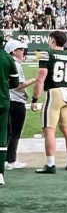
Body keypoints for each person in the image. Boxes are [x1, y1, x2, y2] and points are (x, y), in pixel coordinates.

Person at [31, 31, 67, 174]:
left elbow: (40, 79)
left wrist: (34, 99)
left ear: (52, 40)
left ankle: (50, 164)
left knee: (49, 130)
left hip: (54, 93)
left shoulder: (46, 54)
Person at [5, 39, 34, 170]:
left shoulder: (7, 62)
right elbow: (19, 85)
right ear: (13, 51)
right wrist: (34, 80)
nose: (23, 51)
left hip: (8, 100)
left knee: (7, 132)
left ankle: (6, 159)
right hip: (16, 100)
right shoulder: (15, 64)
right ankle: (11, 160)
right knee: (15, 133)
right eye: (20, 49)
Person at [0, 37, 19, 185]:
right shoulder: (7, 58)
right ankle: (0, 173)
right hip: (2, 101)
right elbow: (14, 83)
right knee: (1, 139)